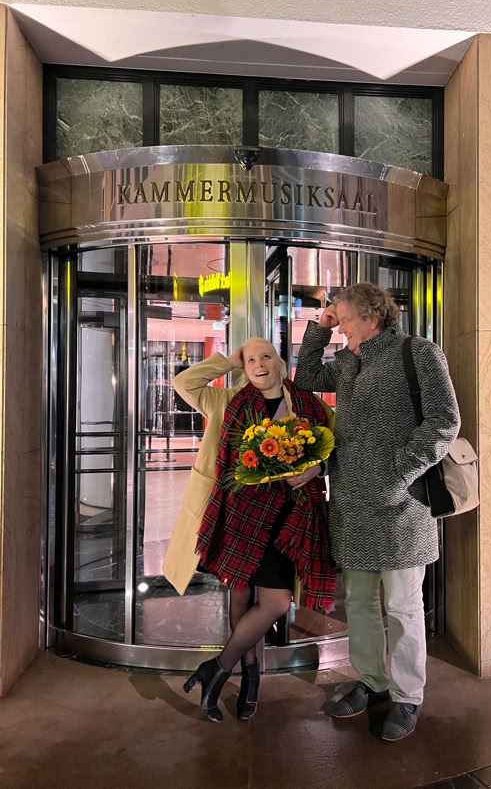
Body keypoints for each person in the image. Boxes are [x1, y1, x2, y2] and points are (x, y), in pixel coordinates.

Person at [294, 283, 460, 742]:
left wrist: (398, 475)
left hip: (401, 506)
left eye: (344, 318)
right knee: (362, 607)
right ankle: (371, 680)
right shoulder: (348, 360)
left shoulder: (418, 353)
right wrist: (320, 328)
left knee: (404, 608)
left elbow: (444, 420)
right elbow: (305, 377)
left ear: (371, 316)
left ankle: (408, 696)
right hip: (350, 502)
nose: (340, 324)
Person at [163, 338, 335, 723]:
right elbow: (184, 385)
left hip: (289, 520)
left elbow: (336, 447)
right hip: (237, 516)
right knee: (239, 602)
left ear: (280, 363)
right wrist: (229, 360)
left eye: (265, 357)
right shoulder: (226, 403)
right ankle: (251, 679)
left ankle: (217, 668)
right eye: (251, 359)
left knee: (273, 604)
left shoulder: (308, 405)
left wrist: (317, 469)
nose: (258, 364)